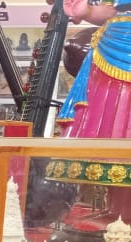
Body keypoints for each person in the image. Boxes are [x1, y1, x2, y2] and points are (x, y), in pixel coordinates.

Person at [58, 0, 131, 138]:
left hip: (112, 48)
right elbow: (111, 11)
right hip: (113, 44)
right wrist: (86, 12)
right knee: (104, 115)